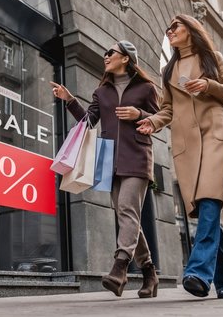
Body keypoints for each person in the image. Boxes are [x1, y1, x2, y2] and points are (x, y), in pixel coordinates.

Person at [136, 14, 223, 299]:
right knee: (207, 210)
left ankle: (197, 273)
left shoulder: (211, 58)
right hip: (187, 145)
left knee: (209, 201)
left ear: (191, 30)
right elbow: (167, 109)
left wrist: (208, 86)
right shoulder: (168, 71)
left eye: (175, 27)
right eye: (168, 28)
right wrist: (153, 123)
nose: (169, 31)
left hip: (215, 136)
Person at [51, 40, 160, 298]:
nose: (106, 56)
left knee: (126, 210)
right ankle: (149, 273)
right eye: (105, 53)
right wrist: (69, 100)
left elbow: (159, 118)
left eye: (111, 52)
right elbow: (89, 121)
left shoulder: (146, 87)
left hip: (137, 156)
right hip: (110, 160)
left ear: (126, 58)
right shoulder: (102, 92)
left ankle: (119, 267)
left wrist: (139, 114)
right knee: (126, 215)